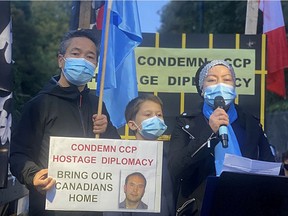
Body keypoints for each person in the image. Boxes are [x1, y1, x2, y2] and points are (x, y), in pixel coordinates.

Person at [9, 29, 120, 216]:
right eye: (76, 54)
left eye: (90, 56)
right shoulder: (39, 104)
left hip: (91, 208)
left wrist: (107, 129)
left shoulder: (98, 105)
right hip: (50, 208)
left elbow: (114, 153)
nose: (83, 60)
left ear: (95, 65)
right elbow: (18, 154)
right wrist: (33, 175)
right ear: (61, 60)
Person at [168, 60, 276, 216]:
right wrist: (208, 131)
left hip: (246, 205)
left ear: (234, 86)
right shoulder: (186, 123)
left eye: (227, 79)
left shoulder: (251, 123)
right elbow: (176, 169)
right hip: (202, 207)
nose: (220, 85)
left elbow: (268, 166)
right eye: (211, 80)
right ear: (202, 89)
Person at [104, 94, 175, 216]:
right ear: (132, 124)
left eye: (159, 115)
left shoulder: (169, 157)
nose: (156, 119)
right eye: (148, 115)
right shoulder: (121, 159)